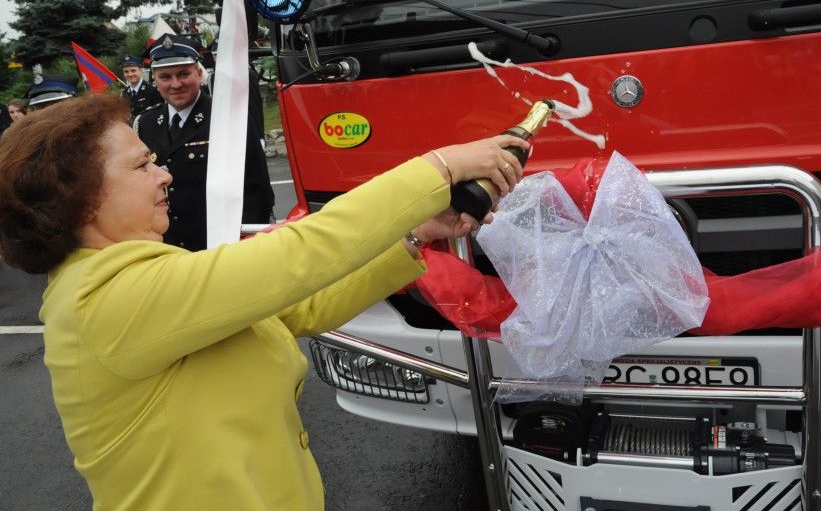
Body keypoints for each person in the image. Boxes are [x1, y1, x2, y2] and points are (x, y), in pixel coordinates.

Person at [0, 93, 527, 510]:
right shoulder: (106, 297)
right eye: (142, 166)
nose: (165, 174)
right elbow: (297, 253)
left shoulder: (138, 279)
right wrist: (440, 167)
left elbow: (299, 305)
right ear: (83, 200)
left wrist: (414, 233)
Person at [134, 33, 274, 251]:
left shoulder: (226, 116)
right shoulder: (145, 123)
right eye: (165, 77)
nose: (175, 84)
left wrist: (244, 245)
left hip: (218, 246)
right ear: (155, 81)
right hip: (168, 247)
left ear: (199, 74)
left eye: (183, 74)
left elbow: (256, 188)